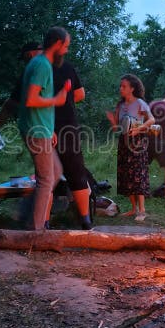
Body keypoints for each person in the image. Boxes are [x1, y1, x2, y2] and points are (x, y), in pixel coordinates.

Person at [17, 27, 71, 230]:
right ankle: (36, 230)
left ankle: (33, 218)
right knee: (46, 179)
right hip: (35, 131)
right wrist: (56, 100)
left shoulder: (40, 64)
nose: (65, 51)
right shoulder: (41, 65)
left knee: (56, 171)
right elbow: (31, 99)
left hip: (42, 129)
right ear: (57, 43)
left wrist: (51, 129)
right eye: (65, 46)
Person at [106, 74, 154, 221]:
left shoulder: (140, 103)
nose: (121, 88)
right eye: (120, 86)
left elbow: (152, 119)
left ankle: (142, 210)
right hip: (124, 141)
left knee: (138, 173)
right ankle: (133, 209)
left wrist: (139, 129)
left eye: (124, 86)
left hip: (137, 141)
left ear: (132, 88)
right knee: (126, 174)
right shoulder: (120, 106)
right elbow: (116, 129)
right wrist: (112, 121)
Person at [53, 57, 93, 230]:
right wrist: (65, 99)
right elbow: (80, 94)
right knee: (76, 172)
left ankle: (43, 223)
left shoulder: (38, 69)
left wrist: (59, 101)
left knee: (48, 177)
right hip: (68, 126)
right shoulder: (67, 66)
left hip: (49, 127)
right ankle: (85, 219)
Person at [0, 42, 44, 137]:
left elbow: (10, 105)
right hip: (69, 126)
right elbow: (76, 95)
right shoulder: (65, 67)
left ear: (29, 55)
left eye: (25, 60)